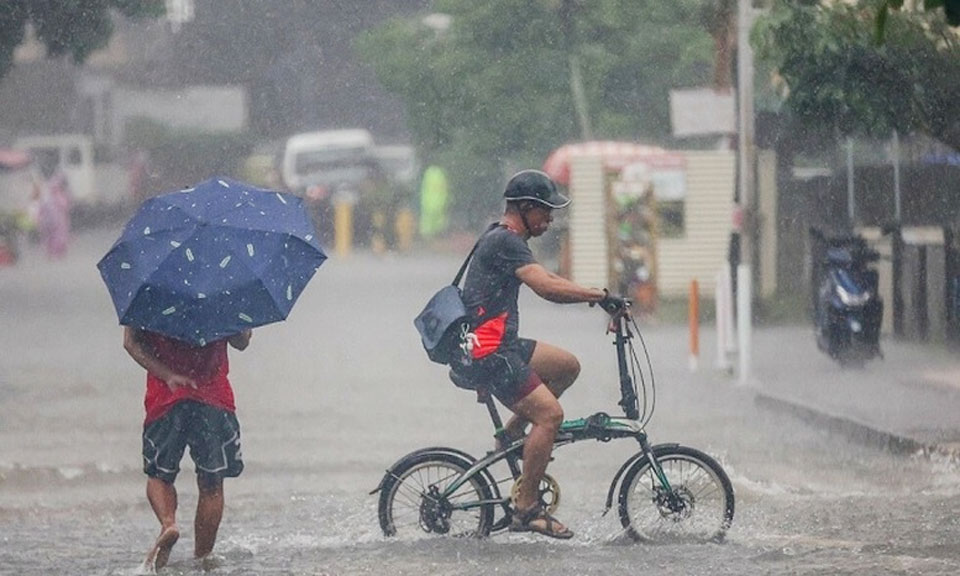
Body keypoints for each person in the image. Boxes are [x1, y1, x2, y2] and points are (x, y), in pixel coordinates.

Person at [453, 169, 613, 539]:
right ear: (525, 208)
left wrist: (598, 296)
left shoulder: (503, 237)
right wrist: (600, 297)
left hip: (496, 344)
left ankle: (511, 436)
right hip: (489, 352)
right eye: (545, 211)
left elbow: (551, 280)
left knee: (566, 366)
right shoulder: (506, 241)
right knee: (550, 416)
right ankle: (526, 508)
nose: (551, 218)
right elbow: (547, 287)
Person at [122, 327, 252, 570]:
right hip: (212, 399)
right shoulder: (222, 290)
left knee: (159, 475)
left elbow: (131, 343)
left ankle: (168, 523)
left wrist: (168, 375)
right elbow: (241, 342)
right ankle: (202, 558)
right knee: (212, 483)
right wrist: (238, 322)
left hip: (165, 396)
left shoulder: (151, 290)